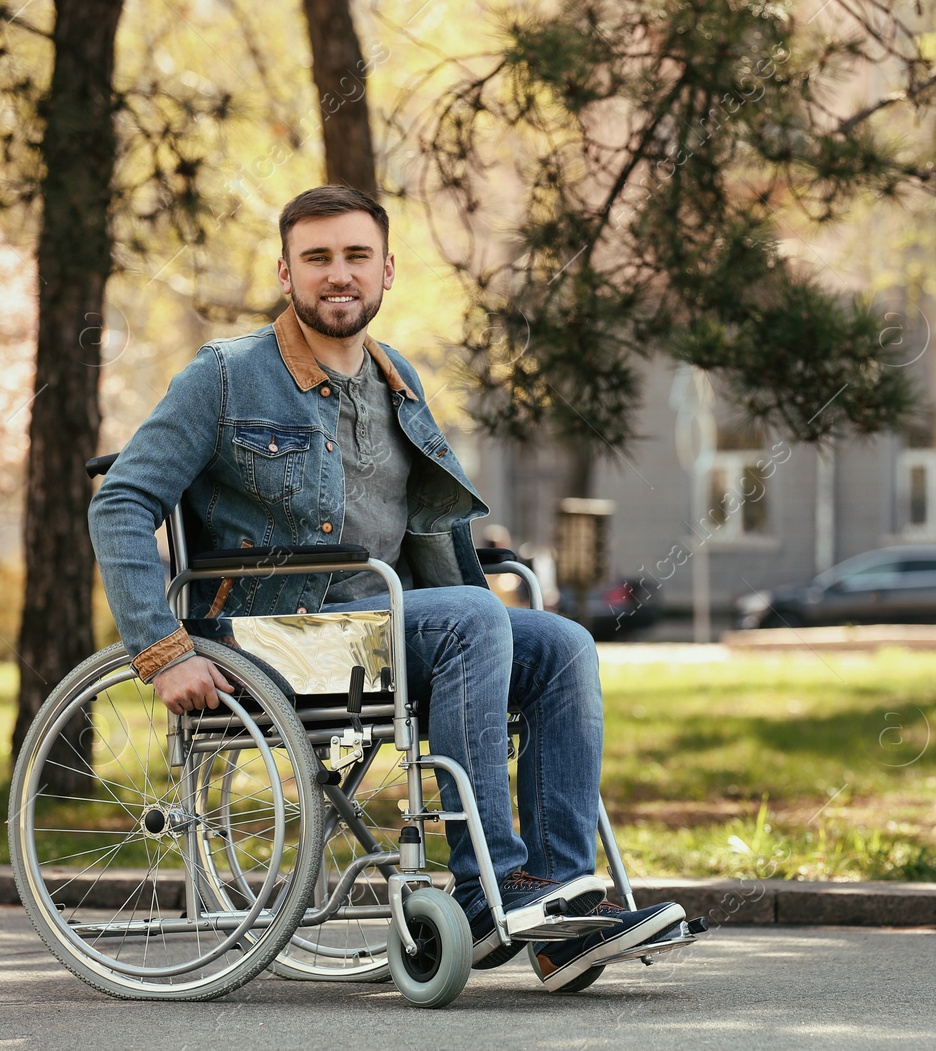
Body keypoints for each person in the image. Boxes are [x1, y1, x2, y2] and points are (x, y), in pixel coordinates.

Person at [89, 185, 684, 991]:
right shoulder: (226, 376)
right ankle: (491, 888)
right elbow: (123, 500)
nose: (339, 274)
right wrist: (160, 652)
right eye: (318, 258)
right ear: (287, 271)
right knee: (476, 617)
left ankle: (561, 905)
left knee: (563, 643)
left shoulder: (396, 380)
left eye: (356, 256)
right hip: (271, 634)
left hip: (378, 624)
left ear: (387, 269)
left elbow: (432, 532)